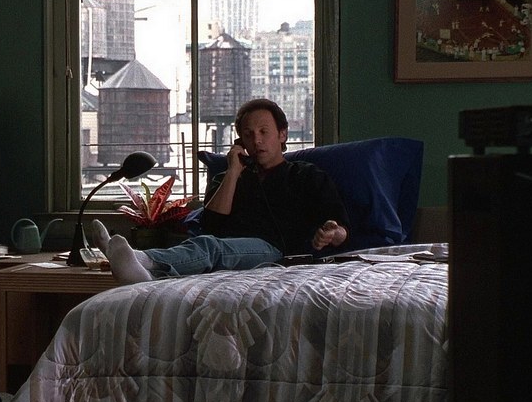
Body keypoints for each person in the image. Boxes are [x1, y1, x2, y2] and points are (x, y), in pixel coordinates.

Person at [92, 98, 349, 284]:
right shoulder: (229, 178)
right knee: (210, 246)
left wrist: (331, 233)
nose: (257, 140)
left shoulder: (305, 174)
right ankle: (143, 273)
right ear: (240, 141)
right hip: (230, 249)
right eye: (248, 135)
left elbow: (341, 229)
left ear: (282, 135)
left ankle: (141, 259)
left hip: (277, 251)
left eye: (264, 132)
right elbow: (211, 224)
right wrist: (234, 172)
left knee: (210, 247)